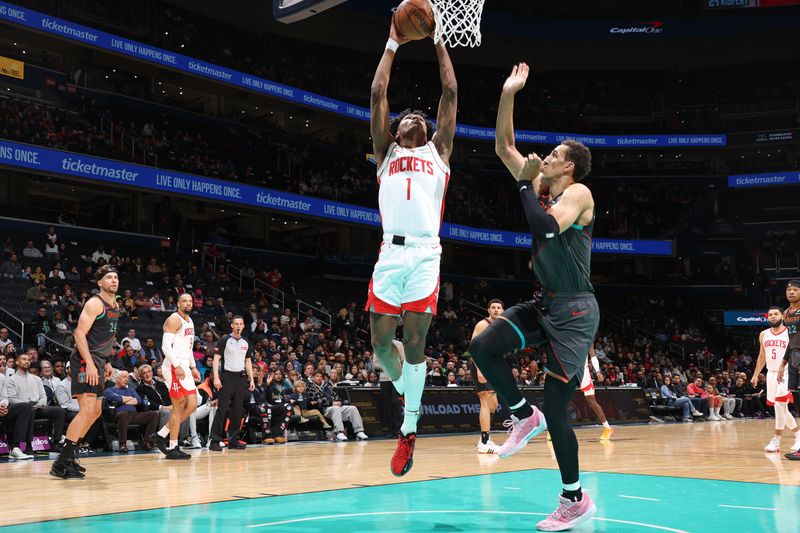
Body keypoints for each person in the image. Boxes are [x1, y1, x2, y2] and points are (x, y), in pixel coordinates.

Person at [465, 63, 599, 530]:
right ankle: (523, 415)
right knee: (482, 345)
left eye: (554, 154)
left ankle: (574, 498)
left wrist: (525, 183)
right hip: (546, 302)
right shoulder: (543, 186)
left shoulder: (577, 193)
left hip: (576, 310)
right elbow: (503, 145)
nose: (546, 156)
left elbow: (543, 226)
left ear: (568, 166)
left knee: (558, 404)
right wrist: (507, 94)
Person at [367, 15, 457, 477]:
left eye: (422, 117)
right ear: (397, 129)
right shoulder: (386, 153)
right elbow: (378, 95)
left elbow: (450, 94)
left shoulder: (437, 154)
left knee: (415, 339)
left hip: (424, 252)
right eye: (409, 117)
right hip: (389, 253)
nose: (416, 117)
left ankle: (409, 428)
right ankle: (410, 386)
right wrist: (392, 41)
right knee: (382, 344)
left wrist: (440, 40)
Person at [51, 265, 121, 479]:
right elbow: (79, 334)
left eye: (116, 277)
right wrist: (90, 363)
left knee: (96, 412)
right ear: (99, 282)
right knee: (86, 409)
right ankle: (61, 462)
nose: (114, 280)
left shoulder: (115, 305)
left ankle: (69, 455)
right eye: (108, 277)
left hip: (99, 361)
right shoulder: (94, 303)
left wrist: (106, 362)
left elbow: (106, 338)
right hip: (84, 361)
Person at [149, 294, 200, 460]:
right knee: (178, 407)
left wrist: (193, 366)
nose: (188, 303)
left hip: (185, 365)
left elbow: (188, 347)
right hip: (173, 366)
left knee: (192, 405)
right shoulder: (173, 319)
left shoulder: (190, 320)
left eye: (190, 301)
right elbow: (165, 346)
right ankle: (172, 447)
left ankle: (161, 434)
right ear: (178, 303)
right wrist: (177, 365)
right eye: (184, 301)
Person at [753, 307, 800, 453]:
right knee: (781, 409)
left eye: (776, 314)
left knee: (780, 405)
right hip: (771, 373)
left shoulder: (790, 332)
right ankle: (798, 435)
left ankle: (776, 441)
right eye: (770, 315)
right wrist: (756, 374)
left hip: (786, 372)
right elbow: (762, 356)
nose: (773, 317)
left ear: (782, 316)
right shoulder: (763, 334)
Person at [209, 316, 255, 451]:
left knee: (237, 410)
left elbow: (248, 361)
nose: (238, 326)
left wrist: (251, 379)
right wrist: (216, 378)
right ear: (232, 326)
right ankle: (215, 440)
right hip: (227, 377)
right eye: (236, 324)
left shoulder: (246, 342)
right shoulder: (225, 340)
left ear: (244, 326)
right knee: (222, 409)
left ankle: (233, 440)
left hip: (241, 378)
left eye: (241, 324)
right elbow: (216, 359)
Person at [470, 299, 504, 454]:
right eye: (493, 308)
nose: (496, 310)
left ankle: (484, 437)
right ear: (488, 310)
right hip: (481, 365)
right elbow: (474, 349)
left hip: (493, 366)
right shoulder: (482, 325)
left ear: (503, 310)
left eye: (499, 308)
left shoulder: (501, 326)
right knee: (484, 400)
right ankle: (484, 442)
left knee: (494, 404)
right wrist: (480, 370)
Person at [103, 371, 157, 453]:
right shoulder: (109, 390)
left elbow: (139, 400)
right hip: (118, 414)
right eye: (124, 377)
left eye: (128, 378)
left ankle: (148, 442)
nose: (126, 379)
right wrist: (129, 399)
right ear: (117, 379)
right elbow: (115, 398)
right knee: (124, 414)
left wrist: (123, 400)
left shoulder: (131, 390)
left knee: (153, 414)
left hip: (133, 415)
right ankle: (122, 444)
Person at [306, 371, 368, 442]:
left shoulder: (327, 385)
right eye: (317, 376)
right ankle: (339, 432)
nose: (319, 378)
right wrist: (332, 403)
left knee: (352, 408)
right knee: (336, 408)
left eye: (320, 376)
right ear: (313, 378)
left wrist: (339, 402)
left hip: (334, 408)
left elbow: (335, 395)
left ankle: (359, 431)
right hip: (322, 409)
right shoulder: (309, 387)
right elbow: (317, 400)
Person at [777, 280, 800, 460]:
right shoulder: (785, 313)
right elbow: (790, 341)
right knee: (797, 404)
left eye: (795, 290)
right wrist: (783, 364)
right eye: (789, 290)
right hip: (793, 359)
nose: (791, 292)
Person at [0, 365, 35, 460]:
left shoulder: (2, 378)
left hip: (2, 410)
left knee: (26, 407)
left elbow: (4, 397)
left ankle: (15, 447)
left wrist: (3, 405)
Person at [579, 345, 614, 439]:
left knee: (592, 401)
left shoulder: (587, 337)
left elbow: (593, 356)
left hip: (583, 372)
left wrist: (598, 371)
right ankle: (554, 429)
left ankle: (607, 428)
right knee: (561, 399)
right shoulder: (566, 335)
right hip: (569, 370)